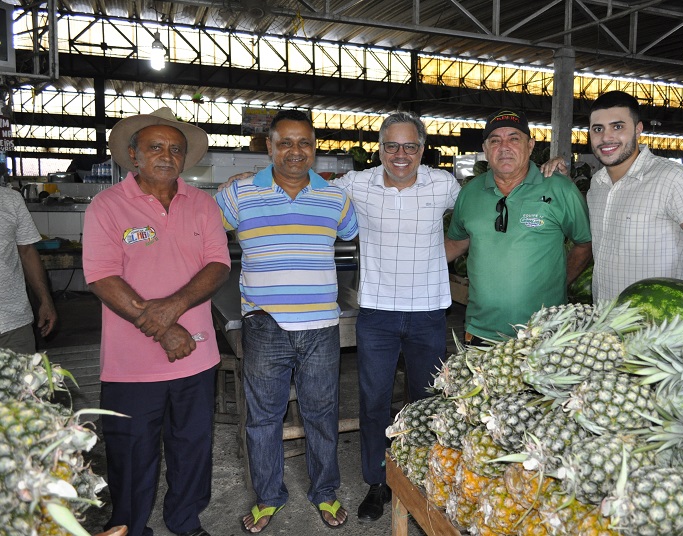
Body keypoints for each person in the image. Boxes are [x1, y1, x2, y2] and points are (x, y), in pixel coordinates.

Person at [83, 108, 231, 536]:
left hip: (196, 354)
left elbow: (218, 264)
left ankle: (185, 522)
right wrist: (164, 327)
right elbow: (101, 276)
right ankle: (129, 527)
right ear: (133, 155)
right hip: (131, 364)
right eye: (156, 147)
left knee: (192, 448)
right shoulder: (107, 206)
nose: (167, 155)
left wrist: (174, 307)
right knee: (131, 454)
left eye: (176, 149)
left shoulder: (202, 204)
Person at [215, 110, 358, 533]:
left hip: (320, 326)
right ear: (269, 146)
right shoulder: (238, 195)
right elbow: (202, 233)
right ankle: (267, 497)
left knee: (321, 412)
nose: (295, 151)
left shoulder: (335, 198)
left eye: (305, 143)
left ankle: (326, 491)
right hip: (265, 324)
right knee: (263, 419)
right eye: (285, 143)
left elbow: (350, 234)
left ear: (314, 147)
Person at [331, 112, 461, 522]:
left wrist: (545, 169)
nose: (400, 155)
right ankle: (377, 481)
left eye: (410, 146)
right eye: (391, 146)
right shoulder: (357, 184)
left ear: (422, 149)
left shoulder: (443, 184)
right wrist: (246, 180)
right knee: (374, 401)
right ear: (380, 148)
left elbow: (490, 198)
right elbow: (305, 187)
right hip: (378, 314)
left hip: (427, 311)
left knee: (425, 402)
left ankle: (419, 476)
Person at [543, 91, 683, 302]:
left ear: (638, 129)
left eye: (617, 127)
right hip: (605, 322)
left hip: (658, 327)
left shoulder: (673, 179)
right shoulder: (597, 186)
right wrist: (565, 182)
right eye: (598, 129)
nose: (606, 137)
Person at [445, 109, 593, 343]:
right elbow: (457, 241)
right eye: (495, 140)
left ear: (530, 145)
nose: (504, 147)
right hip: (480, 330)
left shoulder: (559, 188)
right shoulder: (470, 193)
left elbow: (584, 242)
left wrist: (560, 282)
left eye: (514, 138)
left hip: (543, 334)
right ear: (485, 149)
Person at [0, 186, 57, 353]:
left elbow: (27, 252)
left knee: (23, 379)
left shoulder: (11, 199)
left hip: (13, 323)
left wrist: (45, 299)